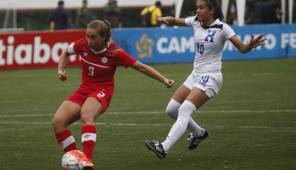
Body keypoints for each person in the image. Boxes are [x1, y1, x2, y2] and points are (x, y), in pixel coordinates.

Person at [145, 0, 265, 159]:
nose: (198, 10)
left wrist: (250, 45)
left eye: (201, 7)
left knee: (184, 110)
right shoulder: (195, 21)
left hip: (211, 76)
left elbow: (242, 48)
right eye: (197, 7)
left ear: (211, 10)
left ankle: (163, 147)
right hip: (195, 74)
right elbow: (178, 21)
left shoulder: (223, 28)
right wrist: (169, 19)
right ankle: (198, 133)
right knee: (171, 110)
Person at [51, 19, 174, 169]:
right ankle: (77, 159)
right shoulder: (82, 44)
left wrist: (164, 79)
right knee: (58, 121)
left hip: (102, 91)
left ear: (104, 37)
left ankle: (87, 161)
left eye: (93, 37)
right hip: (84, 89)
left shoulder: (115, 53)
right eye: (87, 36)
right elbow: (66, 52)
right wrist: (61, 70)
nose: (88, 40)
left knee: (86, 114)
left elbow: (141, 67)